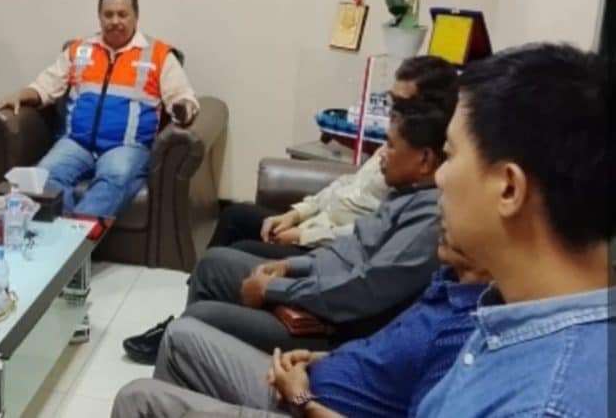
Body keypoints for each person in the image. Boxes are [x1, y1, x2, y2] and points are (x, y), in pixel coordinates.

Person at [132, 95, 454, 363]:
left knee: (199, 319)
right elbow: (345, 249)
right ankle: (184, 362)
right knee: (212, 265)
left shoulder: (427, 218)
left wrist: (275, 289)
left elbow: (362, 289)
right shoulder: (403, 195)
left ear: (425, 160)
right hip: (314, 287)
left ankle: (185, 359)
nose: (381, 154)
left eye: (391, 146)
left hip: (330, 328)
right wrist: (291, 265)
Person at [415, 44, 613, 417]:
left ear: (509, 188)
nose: (439, 176)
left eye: (451, 154)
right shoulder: (519, 313)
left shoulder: (544, 405)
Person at [111, 233, 492, 418]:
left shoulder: (470, 332)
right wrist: (321, 358)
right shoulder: (448, 283)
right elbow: (385, 353)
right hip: (307, 378)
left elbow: (361, 289)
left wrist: (301, 400)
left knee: (138, 399)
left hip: (307, 405)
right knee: (181, 336)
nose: (442, 194)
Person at [211, 55, 457, 258]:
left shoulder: (420, 170)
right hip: (313, 224)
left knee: (234, 255)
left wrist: (303, 236)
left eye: (402, 105)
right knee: (235, 215)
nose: (392, 111)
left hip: (328, 251)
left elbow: (373, 233)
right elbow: (346, 184)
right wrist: (296, 214)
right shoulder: (396, 142)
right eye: (392, 102)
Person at [0, 0, 199, 218]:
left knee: (115, 178)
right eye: (108, 15)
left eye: (122, 14)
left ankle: (77, 235)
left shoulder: (158, 54)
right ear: (99, 17)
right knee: (45, 175)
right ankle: (64, 232)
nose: (115, 21)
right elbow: (45, 86)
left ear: (136, 16)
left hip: (126, 146)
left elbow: (183, 97)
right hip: (77, 143)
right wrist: (21, 94)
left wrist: (182, 109)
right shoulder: (79, 50)